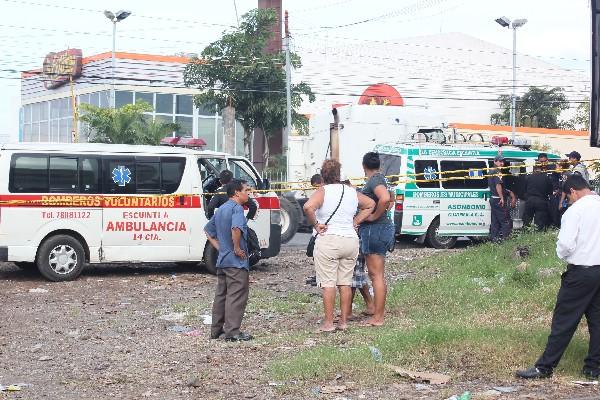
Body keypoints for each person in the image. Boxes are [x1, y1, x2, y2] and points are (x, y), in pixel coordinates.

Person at [516, 175, 600, 379]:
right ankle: (593, 367)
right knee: (598, 321)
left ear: (573, 191)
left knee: (564, 320)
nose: (568, 200)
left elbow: (565, 245)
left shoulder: (575, 211)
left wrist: (564, 256)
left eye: (568, 196)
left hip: (581, 271)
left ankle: (544, 367)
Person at [303, 159, 375, 332]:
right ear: (339, 173)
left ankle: (328, 323)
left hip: (329, 240)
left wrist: (316, 225)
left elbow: (308, 207)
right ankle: (343, 321)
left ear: (323, 175)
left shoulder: (323, 191)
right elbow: (370, 204)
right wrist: (355, 221)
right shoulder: (351, 191)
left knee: (328, 283)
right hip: (350, 240)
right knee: (345, 283)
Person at [205, 179, 253, 342]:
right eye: (246, 190)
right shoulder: (237, 209)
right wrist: (237, 248)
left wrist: (221, 248)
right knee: (237, 295)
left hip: (223, 260)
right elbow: (236, 229)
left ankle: (216, 329)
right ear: (237, 193)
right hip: (236, 262)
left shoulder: (221, 209)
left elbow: (208, 231)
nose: (249, 193)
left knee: (221, 295)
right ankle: (232, 332)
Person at [359, 152, 395, 327]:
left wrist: (374, 216)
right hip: (382, 228)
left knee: (376, 275)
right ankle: (378, 314)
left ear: (364, 165)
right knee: (378, 275)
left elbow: (385, 198)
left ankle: (378, 317)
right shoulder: (383, 178)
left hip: (375, 229)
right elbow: (391, 198)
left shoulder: (374, 180)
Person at [488, 155, 514, 242]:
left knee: (495, 221)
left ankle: (494, 239)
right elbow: (498, 185)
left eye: (503, 162)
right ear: (495, 161)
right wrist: (502, 197)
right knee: (505, 220)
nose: (502, 163)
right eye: (500, 161)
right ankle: (506, 240)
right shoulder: (497, 171)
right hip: (498, 199)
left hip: (493, 199)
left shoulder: (491, 170)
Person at [522, 165, 553, 230]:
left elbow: (524, 189)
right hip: (541, 200)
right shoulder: (546, 178)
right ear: (542, 169)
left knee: (527, 220)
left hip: (529, 200)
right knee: (540, 221)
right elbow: (550, 191)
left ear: (534, 169)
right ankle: (538, 235)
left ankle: (525, 233)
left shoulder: (528, 177)